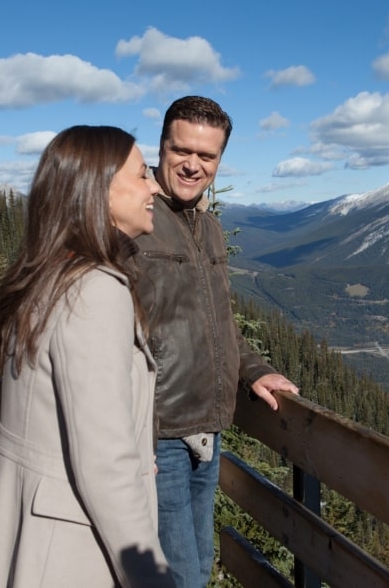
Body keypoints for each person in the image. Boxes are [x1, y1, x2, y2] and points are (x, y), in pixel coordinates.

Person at [0, 125, 175, 588]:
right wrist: (151, 578)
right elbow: (104, 460)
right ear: (97, 192)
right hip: (71, 545)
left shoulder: (47, 274)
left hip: (26, 530)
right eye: (142, 175)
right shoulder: (95, 291)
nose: (155, 187)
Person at [132, 96, 300, 587]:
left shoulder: (207, 225)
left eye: (206, 157)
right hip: (157, 431)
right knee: (177, 575)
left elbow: (217, 319)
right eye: (181, 150)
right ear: (160, 147)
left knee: (199, 564)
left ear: (219, 160)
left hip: (208, 425)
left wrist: (253, 370)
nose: (192, 165)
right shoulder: (133, 218)